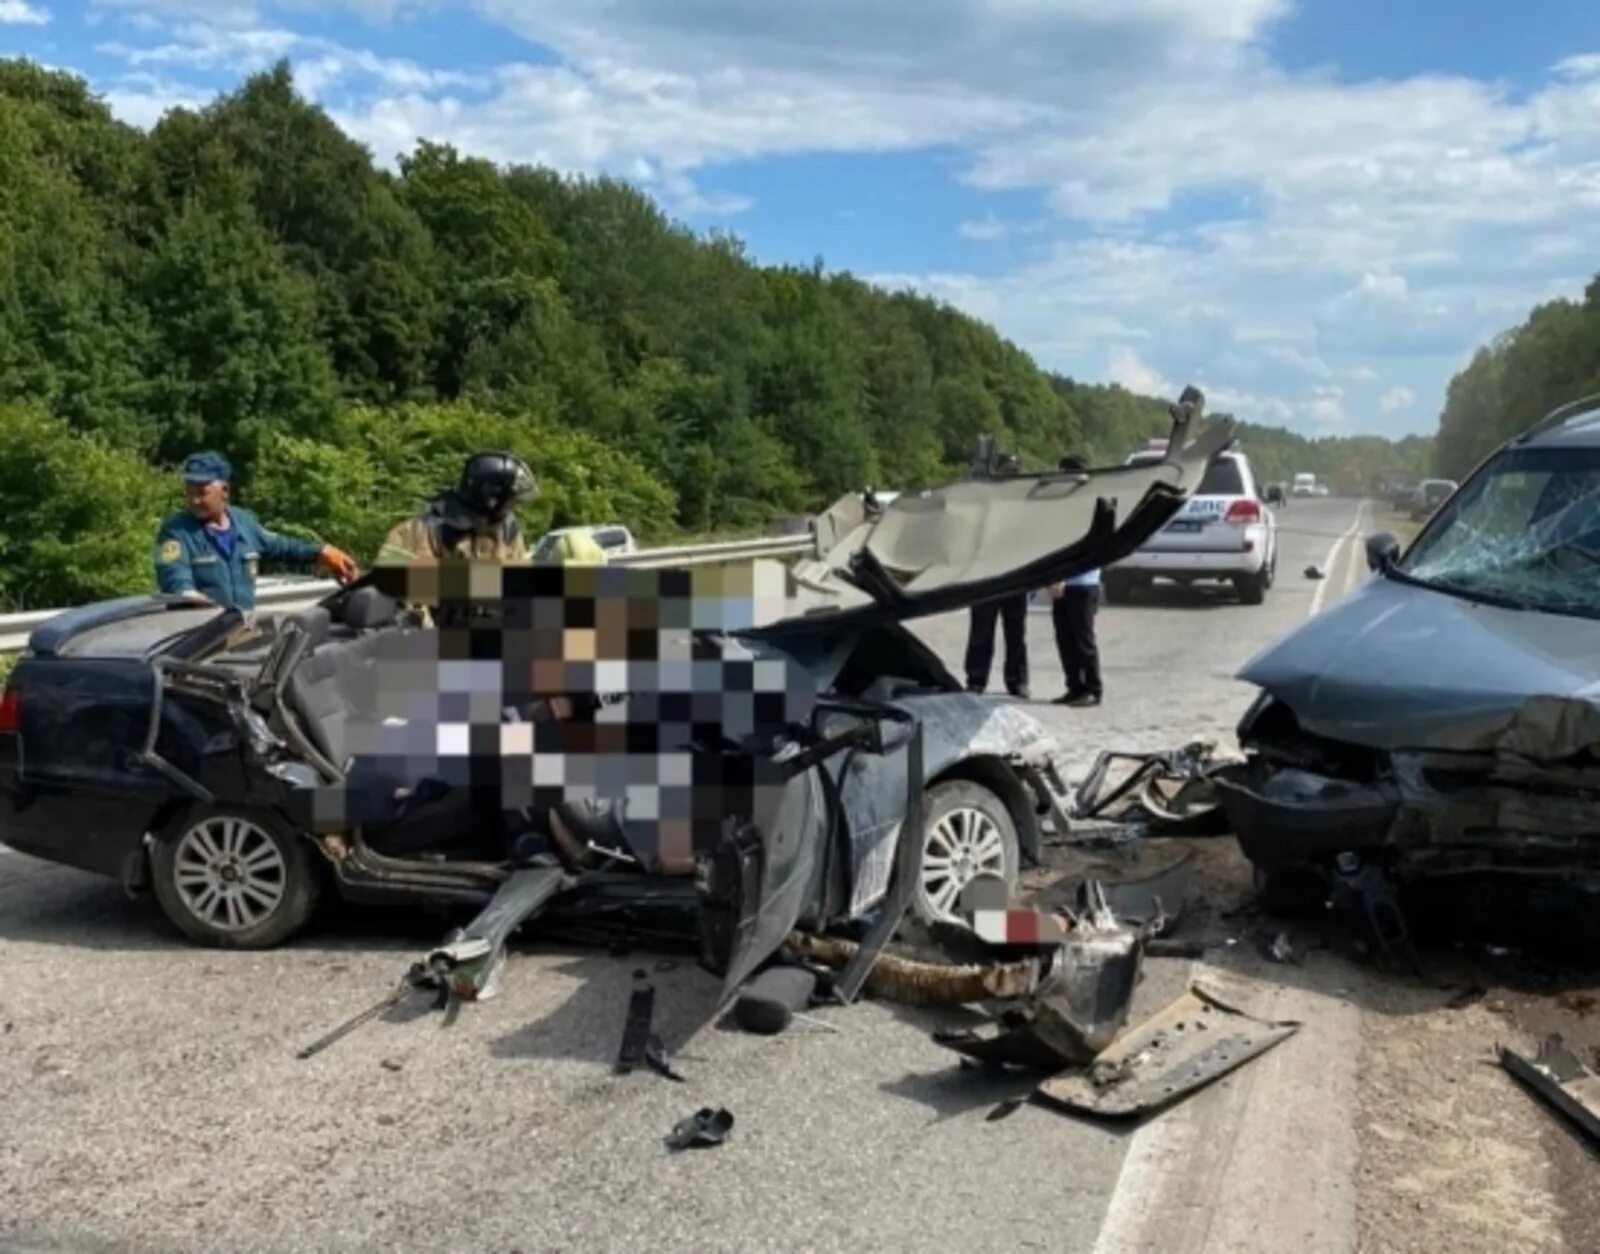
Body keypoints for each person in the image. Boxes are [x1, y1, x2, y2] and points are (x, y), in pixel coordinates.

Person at [153, 451, 358, 611]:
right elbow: (174, 578)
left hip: (242, 633)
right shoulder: (175, 531)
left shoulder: (244, 523)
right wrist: (188, 595)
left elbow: (281, 546)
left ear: (224, 490)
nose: (194, 500)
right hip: (198, 639)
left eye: (201, 493)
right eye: (189, 493)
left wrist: (322, 552)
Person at [375, 451, 537, 565]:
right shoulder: (418, 532)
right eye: (511, 500)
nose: (513, 507)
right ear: (492, 499)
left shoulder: (508, 530)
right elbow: (391, 585)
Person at [963, 451, 1029, 698]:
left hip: (1016, 576)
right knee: (981, 632)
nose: (1010, 477)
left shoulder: (1025, 504)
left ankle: (1017, 681)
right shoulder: (985, 500)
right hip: (986, 576)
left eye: (1014, 473)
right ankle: (976, 679)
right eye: (1006, 472)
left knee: (1016, 633)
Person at [1048, 455, 1103, 707]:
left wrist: (1062, 577)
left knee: (1083, 640)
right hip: (1063, 584)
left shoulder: (1090, 505)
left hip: (1083, 583)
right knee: (1065, 640)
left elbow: (1084, 548)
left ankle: (1092, 688)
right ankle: (1074, 686)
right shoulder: (1064, 505)